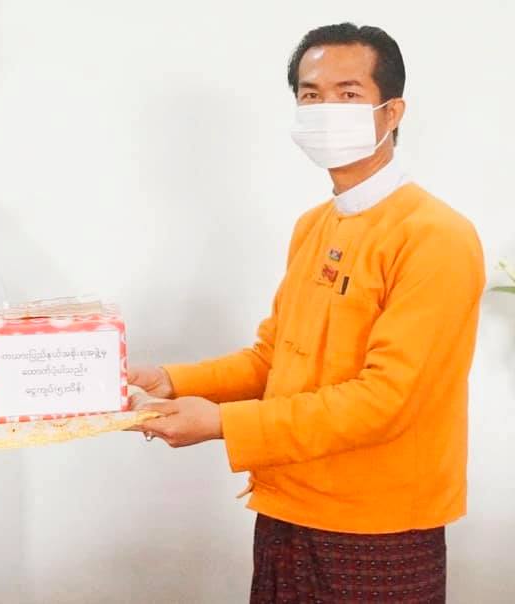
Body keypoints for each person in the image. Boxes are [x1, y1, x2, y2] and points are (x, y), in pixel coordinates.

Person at [130, 23, 484, 603]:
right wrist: (169, 380)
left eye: (348, 94)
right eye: (311, 94)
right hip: (286, 506)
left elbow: (386, 401)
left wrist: (222, 424)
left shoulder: (434, 236)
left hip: (377, 528)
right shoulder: (315, 225)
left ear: (392, 112)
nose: (325, 109)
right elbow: (274, 359)